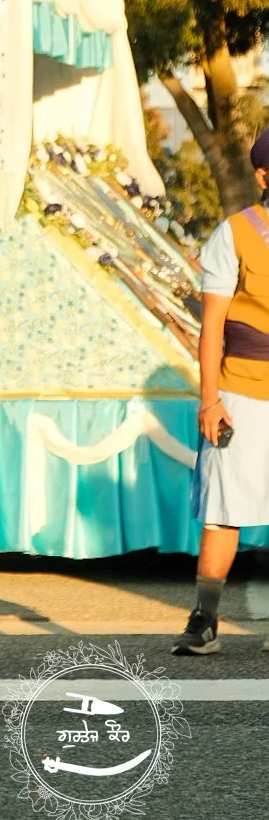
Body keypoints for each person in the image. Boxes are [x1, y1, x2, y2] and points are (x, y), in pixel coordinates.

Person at [173, 129, 269, 655]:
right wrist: (210, 400)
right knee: (224, 507)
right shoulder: (235, 234)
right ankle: (205, 620)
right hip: (242, 392)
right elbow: (213, 327)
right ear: (263, 176)